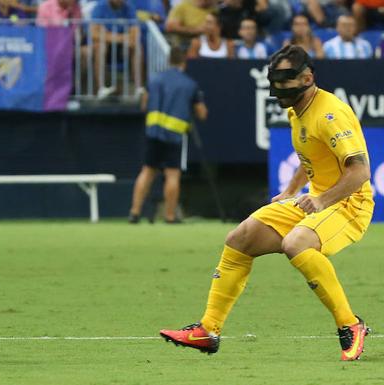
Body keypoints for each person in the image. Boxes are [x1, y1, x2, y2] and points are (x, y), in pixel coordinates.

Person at [160, 45, 374, 361]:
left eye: (285, 80)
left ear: (307, 77)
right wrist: (290, 190)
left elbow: (360, 171)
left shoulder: (331, 113)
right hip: (315, 200)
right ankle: (208, 331)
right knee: (239, 239)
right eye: (275, 80)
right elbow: (312, 155)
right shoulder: (296, 110)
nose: (278, 88)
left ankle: (350, 325)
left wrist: (321, 199)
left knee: (296, 243)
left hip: (348, 204)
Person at [128, 47, 207, 224]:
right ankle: (170, 216)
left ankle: (134, 213)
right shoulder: (189, 84)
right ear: (184, 61)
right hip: (174, 134)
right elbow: (201, 113)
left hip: (153, 131)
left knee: (147, 171)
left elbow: (144, 105)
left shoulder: (154, 79)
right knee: (172, 175)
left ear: (169, 60)